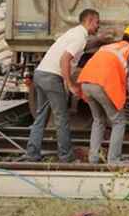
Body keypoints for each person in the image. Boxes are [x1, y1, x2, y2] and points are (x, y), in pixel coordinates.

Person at [25, 9, 101, 162]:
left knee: (41, 116)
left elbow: (82, 48)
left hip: (40, 74)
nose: (98, 26)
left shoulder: (74, 33)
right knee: (62, 117)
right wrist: (70, 84)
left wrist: (100, 40)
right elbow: (64, 60)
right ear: (90, 20)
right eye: (97, 23)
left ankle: (32, 153)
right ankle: (66, 156)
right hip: (52, 78)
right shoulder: (79, 37)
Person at [77, 24, 129, 164]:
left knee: (98, 120)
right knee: (119, 121)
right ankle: (113, 161)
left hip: (85, 83)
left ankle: (93, 159)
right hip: (102, 85)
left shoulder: (107, 47)